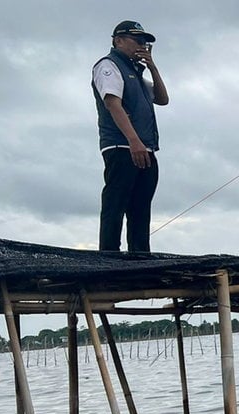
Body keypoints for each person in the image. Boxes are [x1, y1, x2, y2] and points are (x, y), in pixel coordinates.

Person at [92, 21, 168, 252]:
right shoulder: (109, 65)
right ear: (118, 40)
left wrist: (152, 67)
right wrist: (134, 141)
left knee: (140, 208)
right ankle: (109, 259)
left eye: (144, 42)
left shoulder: (136, 73)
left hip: (146, 148)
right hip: (121, 146)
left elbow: (162, 99)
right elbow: (112, 103)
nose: (141, 46)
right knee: (115, 205)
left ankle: (140, 257)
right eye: (137, 40)